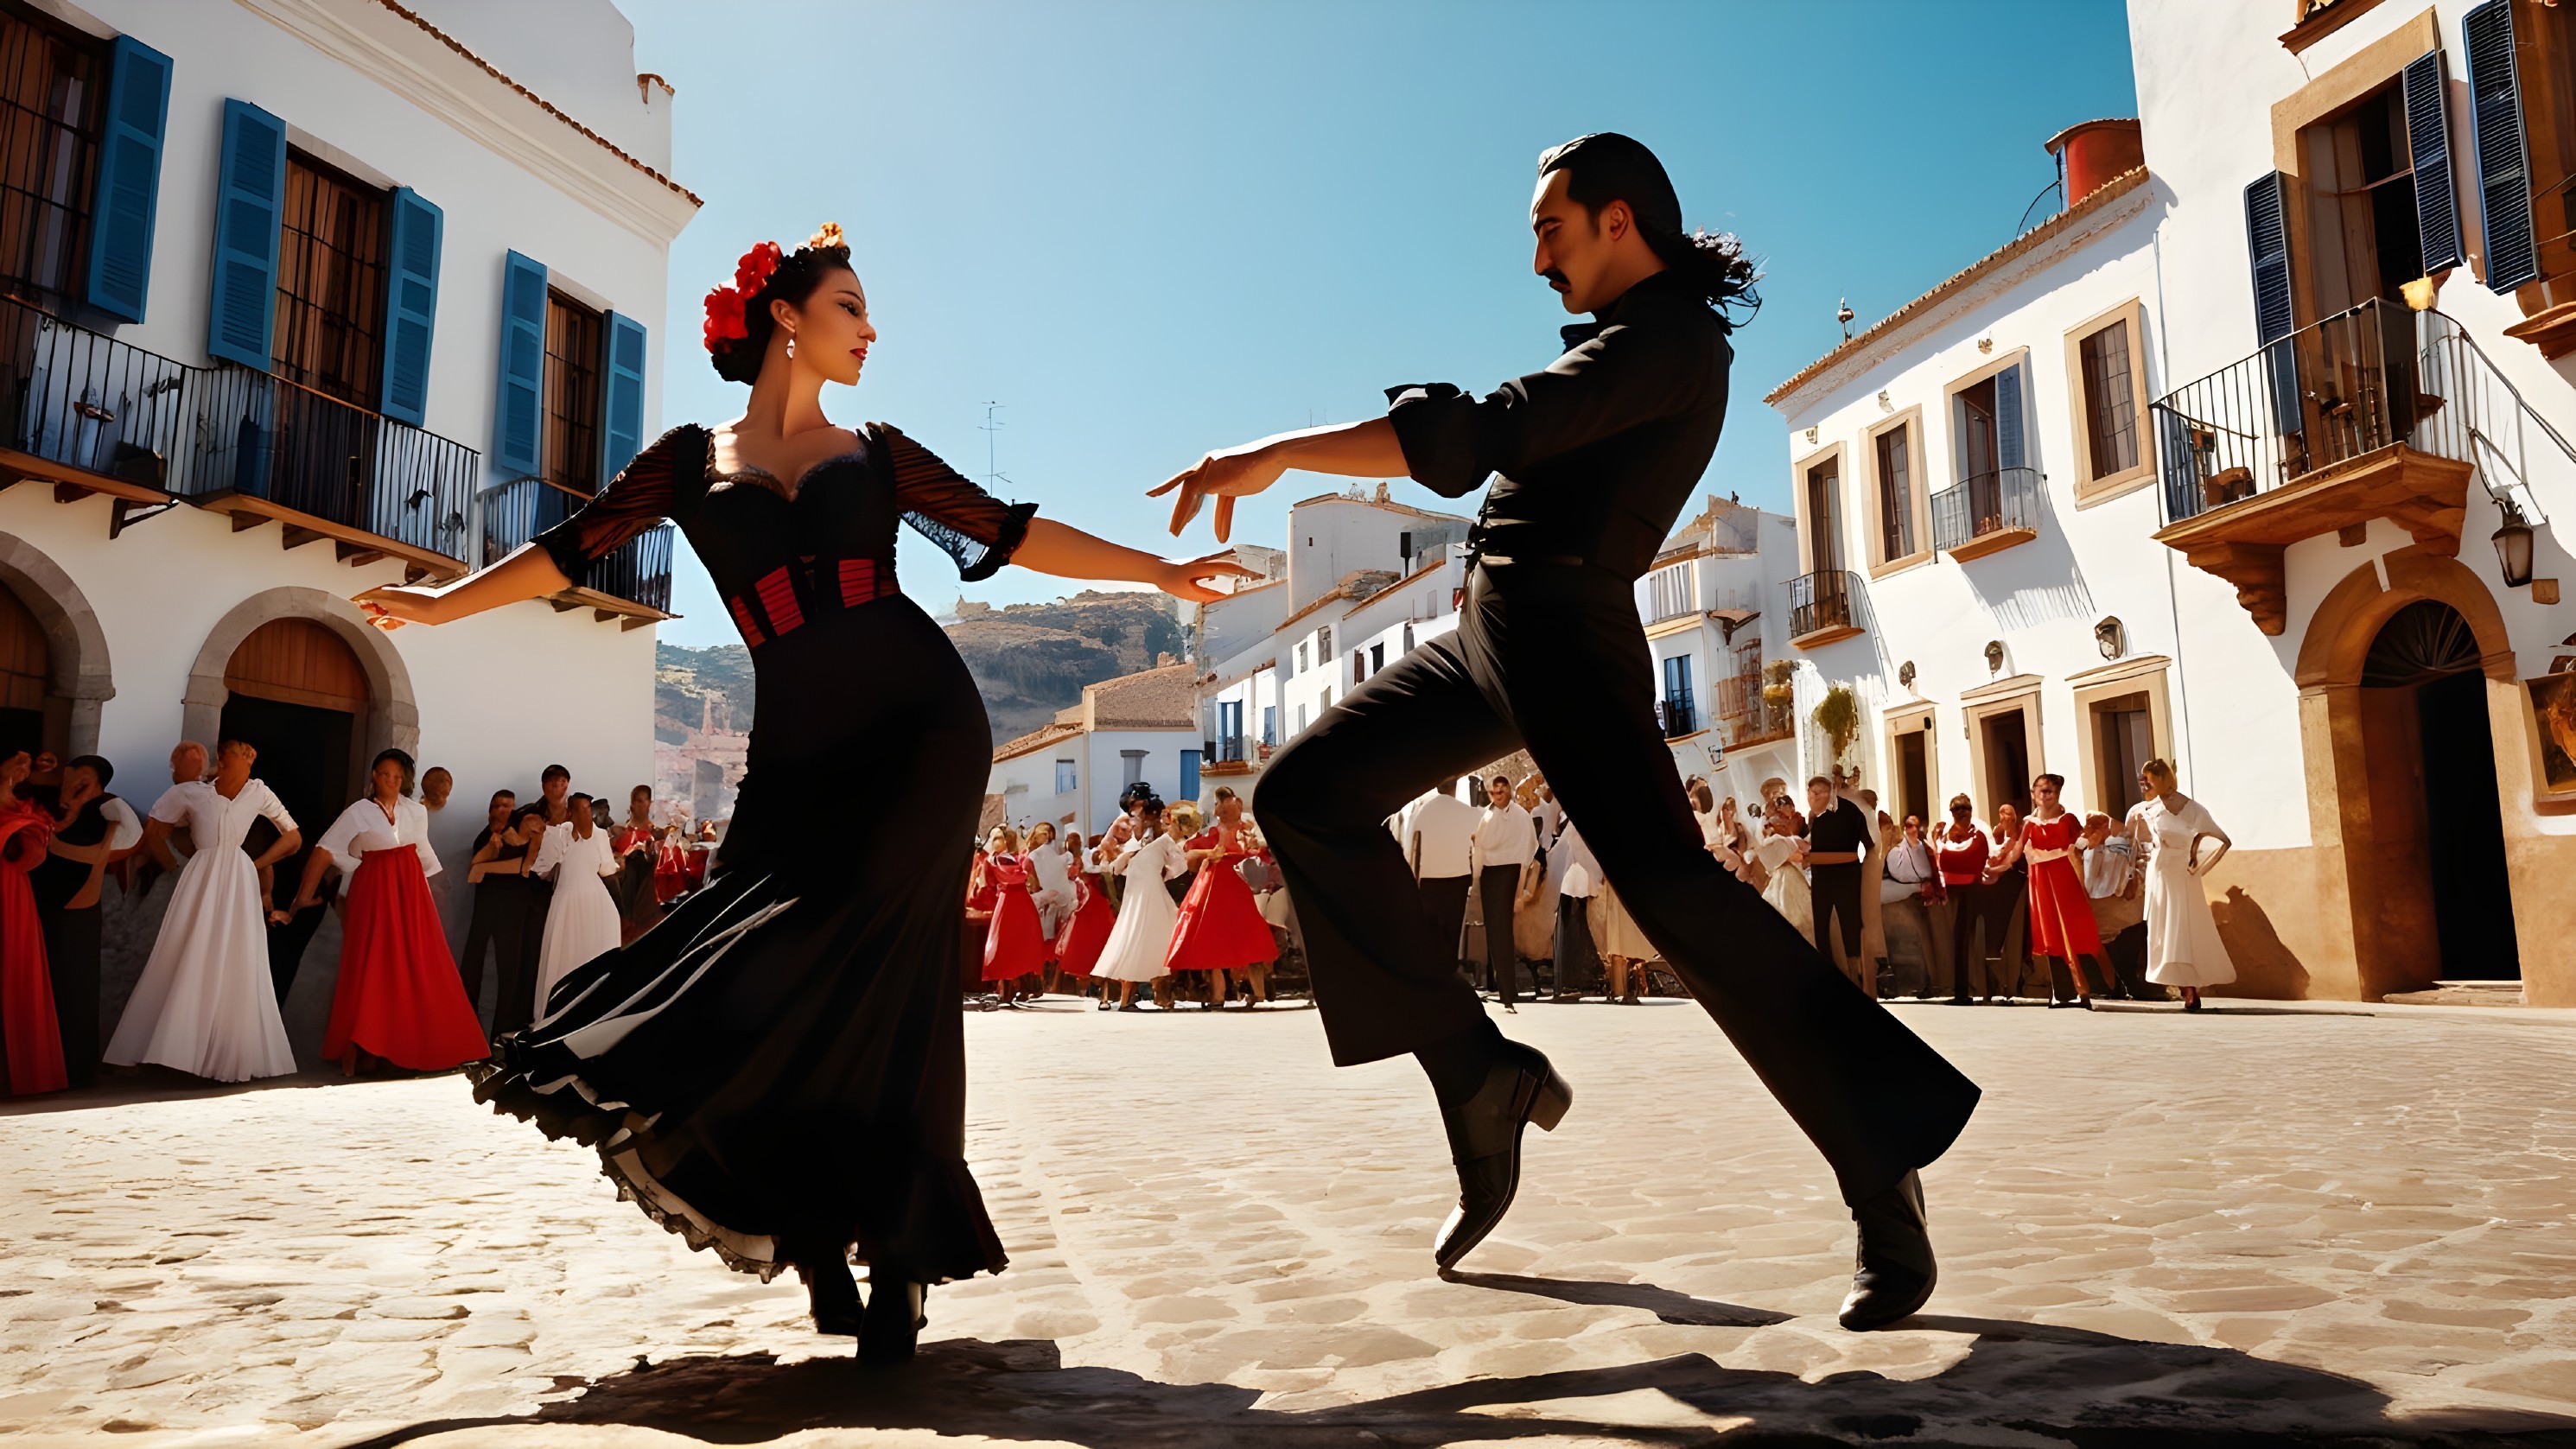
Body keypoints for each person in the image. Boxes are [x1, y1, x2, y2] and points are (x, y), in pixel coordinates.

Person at [353, 223, 1245, 1360]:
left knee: (887, 973)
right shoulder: (684, 462)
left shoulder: (878, 452)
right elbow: (573, 548)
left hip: (921, 726)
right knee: (762, 958)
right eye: (849, 306)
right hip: (792, 747)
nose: (870, 330)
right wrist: (441, 607)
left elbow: (1012, 534)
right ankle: (817, 1234)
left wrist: (1159, 571)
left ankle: (900, 1263)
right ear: (787, 315)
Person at [1154, 133, 1975, 1327]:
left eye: (1550, 228)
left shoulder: (1671, 342)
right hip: (1490, 633)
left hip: (1567, 635)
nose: (1536, 256)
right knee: (1302, 797)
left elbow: (1488, 429)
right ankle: (1476, 1074)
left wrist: (1279, 450)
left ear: (1619, 221)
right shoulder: (1625, 341)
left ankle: (1877, 1164)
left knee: (1680, 896)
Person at [105, 740, 301, 1082]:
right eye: (238, 754)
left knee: (235, 956)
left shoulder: (258, 791)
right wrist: (172, 866)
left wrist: (256, 864)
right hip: (202, 874)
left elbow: (293, 837)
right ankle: (174, 1051)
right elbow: (154, 828)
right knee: (188, 951)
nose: (246, 759)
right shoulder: (193, 793)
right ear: (224, 761)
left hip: (238, 877)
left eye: (248, 755)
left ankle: (222, 1051)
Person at [288, 748, 487, 1075]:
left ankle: (415, 1045)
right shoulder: (358, 811)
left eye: (397, 776)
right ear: (373, 776)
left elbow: (424, 856)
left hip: (410, 893)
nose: (391, 781)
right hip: (373, 888)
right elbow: (324, 851)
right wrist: (301, 899)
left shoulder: (415, 812)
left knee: (417, 963)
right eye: (385, 774)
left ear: (405, 779)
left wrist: (440, 897)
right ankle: (363, 1051)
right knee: (372, 963)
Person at [30, 754, 140, 1089]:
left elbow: (131, 835)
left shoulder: (105, 808)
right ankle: (43, 1067)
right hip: (43, 905)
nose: (78, 783)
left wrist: (74, 814)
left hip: (78, 909)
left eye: (87, 778)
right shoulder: (49, 805)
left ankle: (75, 1072)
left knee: (76, 989)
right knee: (45, 987)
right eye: (74, 775)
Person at [2138, 759, 2236, 1011]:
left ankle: (2191, 986)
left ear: (2159, 778)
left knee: (2184, 927)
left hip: (2182, 875)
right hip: (2159, 874)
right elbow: (2144, 841)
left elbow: (2220, 838)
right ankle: (2183, 986)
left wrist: (2197, 861)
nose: (2143, 783)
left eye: (2147, 778)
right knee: (2164, 929)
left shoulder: (2194, 810)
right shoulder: (2149, 809)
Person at [1168, 788, 1277, 1008]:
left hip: (1236, 883)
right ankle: (1240, 994)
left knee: (1242, 941)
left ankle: (1243, 994)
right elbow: (1193, 854)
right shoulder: (1222, 831)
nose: (1225, 810)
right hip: (1223, 884)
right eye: (1222, 807)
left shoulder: (1246, 829)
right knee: (1225, 941)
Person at [0, 751, 64, 1094]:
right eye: (19, 759)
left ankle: (20, 1072)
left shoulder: (28, 805)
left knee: (19, 967)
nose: (25, 766)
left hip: (15, 891)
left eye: (29, 760)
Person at [2019, 773, 2113, 1010]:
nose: (2045, 794)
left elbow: (2084, 844)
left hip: (2065, 879)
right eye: (2041, 789)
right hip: (2041, 883)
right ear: (2033, 794)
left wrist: (2088, 840)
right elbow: (2018, 851)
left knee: (2077, 931)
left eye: (2050, 790)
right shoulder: (2028, 823)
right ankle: (2063, 993)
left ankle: (2098, 988)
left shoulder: (2068, 820)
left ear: (2058, 793)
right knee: (2052, 934)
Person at [527, 793, 621, 1011]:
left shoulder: (599, 835)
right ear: (570, 811)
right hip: (569, 900)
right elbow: (542, 871)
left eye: (588, 808)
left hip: (597, 902)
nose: (585, 813)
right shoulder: (559, 833)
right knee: (567, 954)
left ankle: (595, 1009)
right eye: (581, 809)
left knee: (596, 952)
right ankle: (560, 1009)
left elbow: (607, 868)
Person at [1092, 808, 1188, 1010]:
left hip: (1139, 895)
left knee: (1137, 938)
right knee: (1152, 938)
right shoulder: (1149, 846)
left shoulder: (1145, 848)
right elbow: (1180, 866)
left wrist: (1159, 875)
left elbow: (1115, 869)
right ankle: (1134, 998)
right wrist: (1162, 876)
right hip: (1144, 895)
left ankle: (1128, 998)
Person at [458, 790, 529, 1033]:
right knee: (474, 969)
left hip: (513, 915)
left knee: (507, 973)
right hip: (484, 914)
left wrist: (487, 867)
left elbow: (525, 868)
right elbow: (473, 867)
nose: (502, 810)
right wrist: (492, 848)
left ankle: (500, 1033)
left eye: (507, 806)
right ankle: (468, 1030)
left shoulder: (523, 838)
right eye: (497, 806)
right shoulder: (484, 837)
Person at [1394, 778, 1478, 980]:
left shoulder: (1422, 812)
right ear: (1455, 787)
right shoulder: (1466, 812)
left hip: (1429, 877)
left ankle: (1431, 968)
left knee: (1432, 926)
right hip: (1458, 876)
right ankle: (1448, 969)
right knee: (1452, 926)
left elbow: (1413, 847)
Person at [1467, 773, 1537, 1010]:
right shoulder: (1486, 816)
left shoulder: (1520, 815)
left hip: (1509, 871)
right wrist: (1476, 876)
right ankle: (1503, 988)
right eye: (1493, 792)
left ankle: (1508, 992)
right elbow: (1480, 849)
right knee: (1495, 931)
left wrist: (1520, 877)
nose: (1497, 796)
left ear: (1509, 791)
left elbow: (1530, 847)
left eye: (1501, 791)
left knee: (1501, 930)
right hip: (1489, 874)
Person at [1804, 775, 1873, 996]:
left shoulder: (1851, 812)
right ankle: (1831, 983)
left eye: (1819, 793)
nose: (1814, 797)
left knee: (1851, 927)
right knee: (1821, 929)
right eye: (1811, 793)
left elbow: (1868, 845)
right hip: (1822, 880)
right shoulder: (1814, 816)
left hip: (1846, 879)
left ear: (1831, 791)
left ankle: (1857, 980)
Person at [1878, 813, 1948, 1000]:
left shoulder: (1900, 849)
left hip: (1907, 904)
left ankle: (1922, 982)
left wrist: (1916, 887)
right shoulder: (1883, 850)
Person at [2083, 810, 2153, 1000]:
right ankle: (2116, 986)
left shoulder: (2119, 844)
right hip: (2104, 907)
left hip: (2119, 908)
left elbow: (2120, 874)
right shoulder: (2090, 846)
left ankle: (2126, 985)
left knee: (2123, 949)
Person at [976, 825, 1046, 1007]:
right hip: (1011, 902)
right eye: (995, 838)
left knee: (1021, 943)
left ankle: (1024, 987)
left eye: (1000, 837)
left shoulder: (1009, 858)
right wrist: (1024, 870)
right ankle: (1009, 989)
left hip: (1018, 903)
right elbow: (1016, 877)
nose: (997, 841)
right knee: (1008, 945)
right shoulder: (997, 859)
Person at [1937, 796, 1997, 1004]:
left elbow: (1980, 858)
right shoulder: (1945, 836)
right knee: (1955, 942)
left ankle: (1981, 990)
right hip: (1951, 892)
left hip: (1974, 891)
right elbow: (1941, 860)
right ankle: (1960, 992)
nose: (1961, 812)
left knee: (1976, 942)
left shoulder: (1980, 834)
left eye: (1965, 808)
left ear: (1971, 810)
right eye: (1956, 809)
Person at [1053, 829, 1115, 1006]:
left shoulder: (1089, 863)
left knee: (1097, 943)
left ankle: (1096, 987)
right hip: (1086, 904)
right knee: (1085, 945)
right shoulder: (1076, 862)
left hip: (1094, 904)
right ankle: (1086, 987)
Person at [1979, 804, 2033, 1001]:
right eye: (2001, 813)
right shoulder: (1997, 833)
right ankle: (2003, 982)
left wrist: (1993, 870)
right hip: (2000, 889)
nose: (2003, 817)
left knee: (2016, 934)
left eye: (2008, 813)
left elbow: (2012, 858)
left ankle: (2014, 983)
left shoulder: (2022, 831)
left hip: (2017, 884)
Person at [1751, 798, 1812, 937]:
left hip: (1793, 865)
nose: (1779, 809)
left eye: (1782, 806)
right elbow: (1764, 841)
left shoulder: (1798, 820)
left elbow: (1804, 845)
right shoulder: (1773, 825)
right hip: (1784, 868)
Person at [611, 785, 662, 943]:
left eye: (644, 800)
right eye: (637, 801)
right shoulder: (620, 830)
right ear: (632, 803)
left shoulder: (657, 830)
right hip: (629, 873)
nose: (640, 805)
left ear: (650, 803)